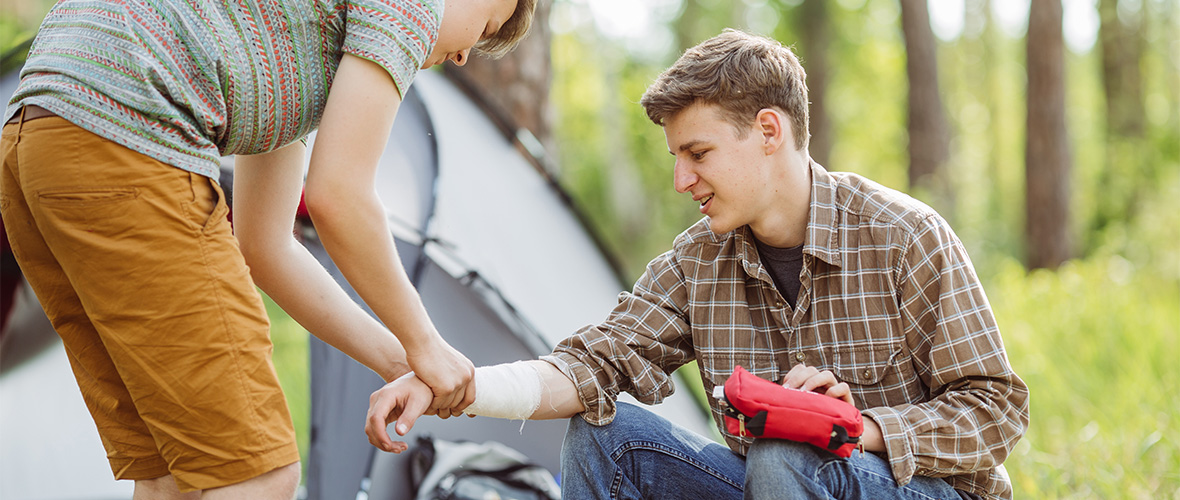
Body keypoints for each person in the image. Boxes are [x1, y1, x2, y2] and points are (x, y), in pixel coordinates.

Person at [365, 29, 1030, 500]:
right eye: (676, 158)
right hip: (774, 486)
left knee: (784, 452)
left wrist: (858, 429)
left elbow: (997, 410)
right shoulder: (697, 261)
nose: (682, 180)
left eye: (699, 154)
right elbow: (592, 364)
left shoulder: (903, 235)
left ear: (768, 131)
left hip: (921, 490)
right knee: (605, 436)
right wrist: (455, 386)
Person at [0, 0, 536, 497]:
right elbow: (340, 197)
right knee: (257, 474)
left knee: (174, 476)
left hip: (38, 139)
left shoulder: (291, 46)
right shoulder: (415, 3)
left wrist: (401, 361)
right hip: (126, 129)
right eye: (486, 26)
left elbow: (266, 247)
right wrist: (427, 344)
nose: (465, 56)